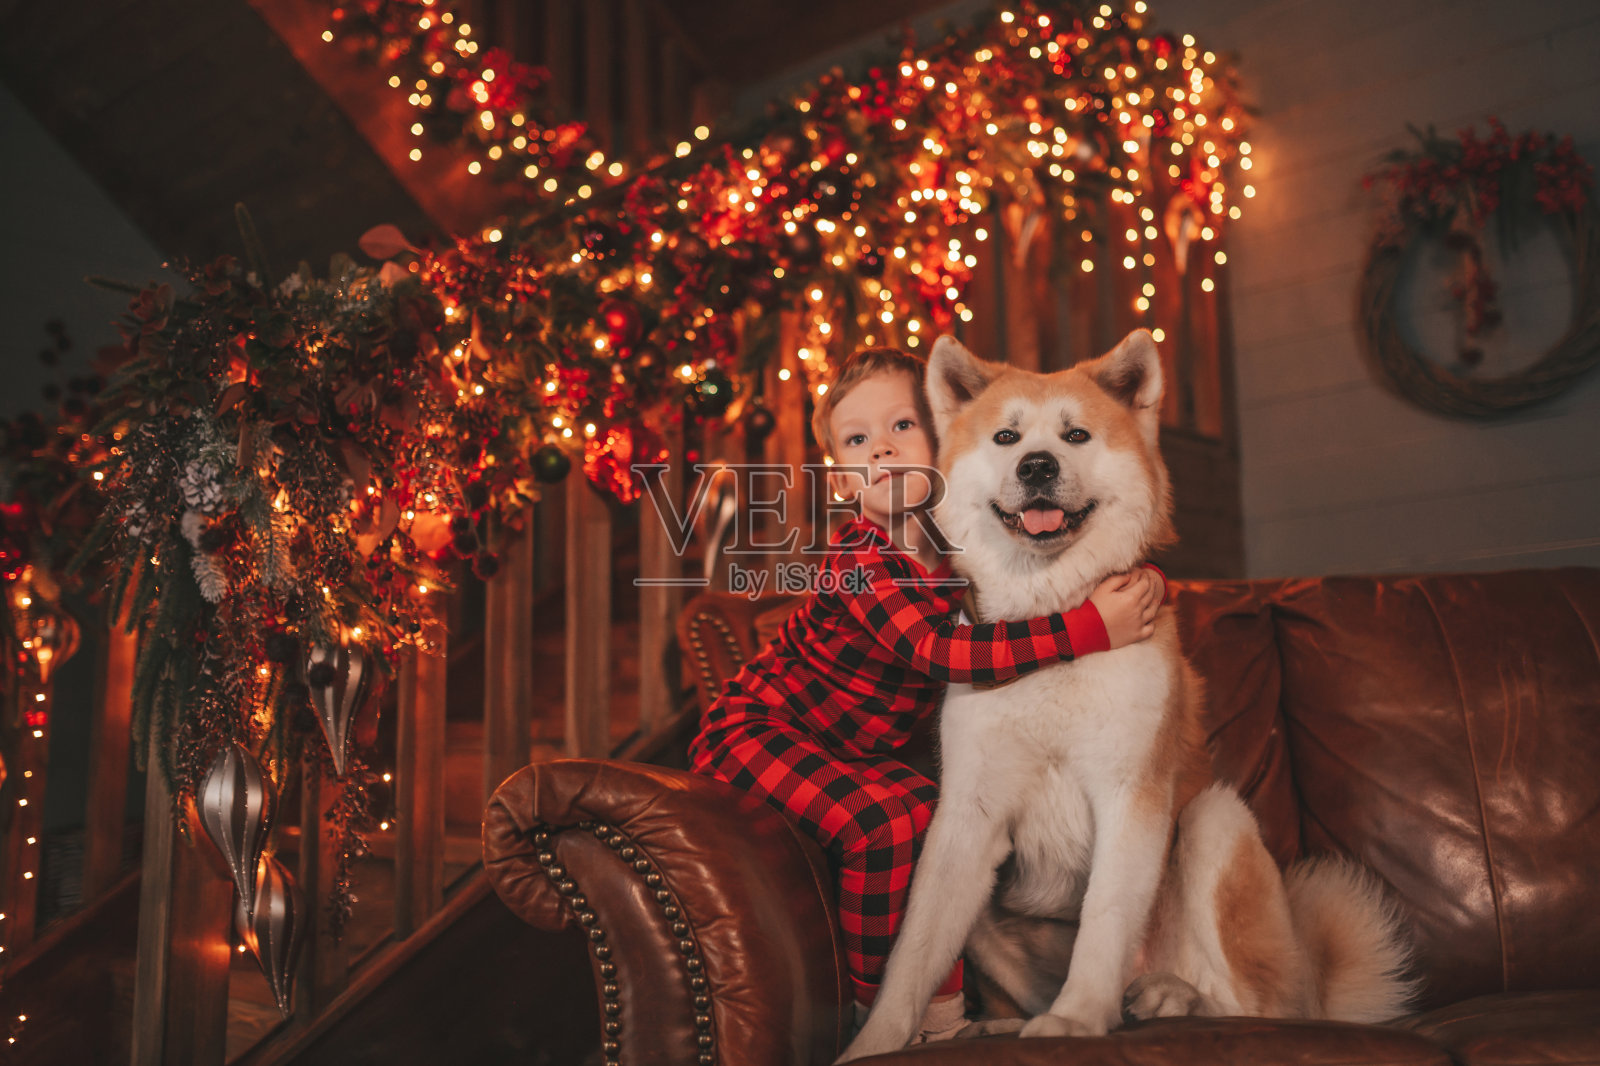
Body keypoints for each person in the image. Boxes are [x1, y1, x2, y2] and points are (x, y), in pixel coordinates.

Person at [688, 347, 1165, 1042]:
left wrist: (1143, 588)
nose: (880, 448)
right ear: (843, 478)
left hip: (854, 749)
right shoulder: (862, 559)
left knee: (921, 814)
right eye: (857, 441)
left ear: (945, 436)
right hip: (756, 730)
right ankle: (865, 1017)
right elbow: (944, 653)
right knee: (888, 823)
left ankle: (938, 1022)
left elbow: (1067, 572)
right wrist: (1090, 628)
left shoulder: (965, 547)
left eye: (900, 426)